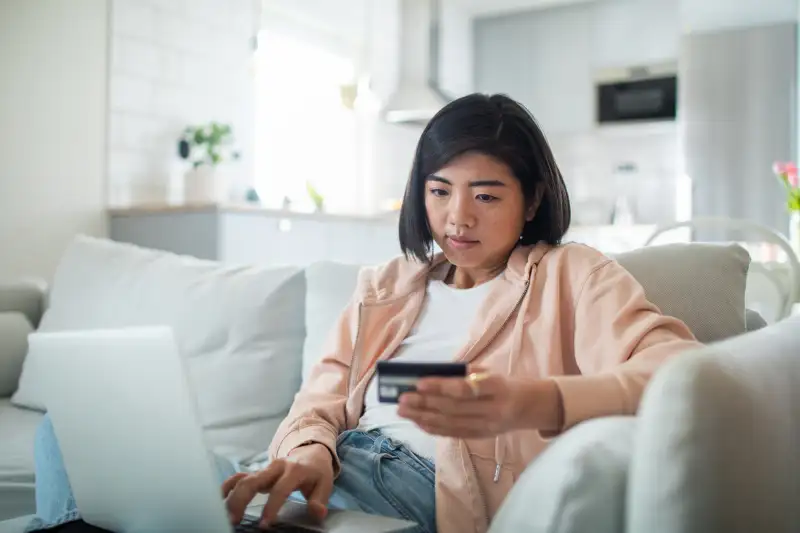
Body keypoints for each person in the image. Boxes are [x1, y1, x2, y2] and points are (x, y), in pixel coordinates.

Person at [28, 93, 702, 533]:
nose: (457, 216)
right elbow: (317, 404)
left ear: (530, 201)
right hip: (330, 475)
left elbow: (680, 372)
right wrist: (308, 453)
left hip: (416, 494)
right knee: (72, 434)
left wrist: (531, 400)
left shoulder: (570, 274)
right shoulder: (385, 286)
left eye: (487, 195)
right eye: (439, 190)